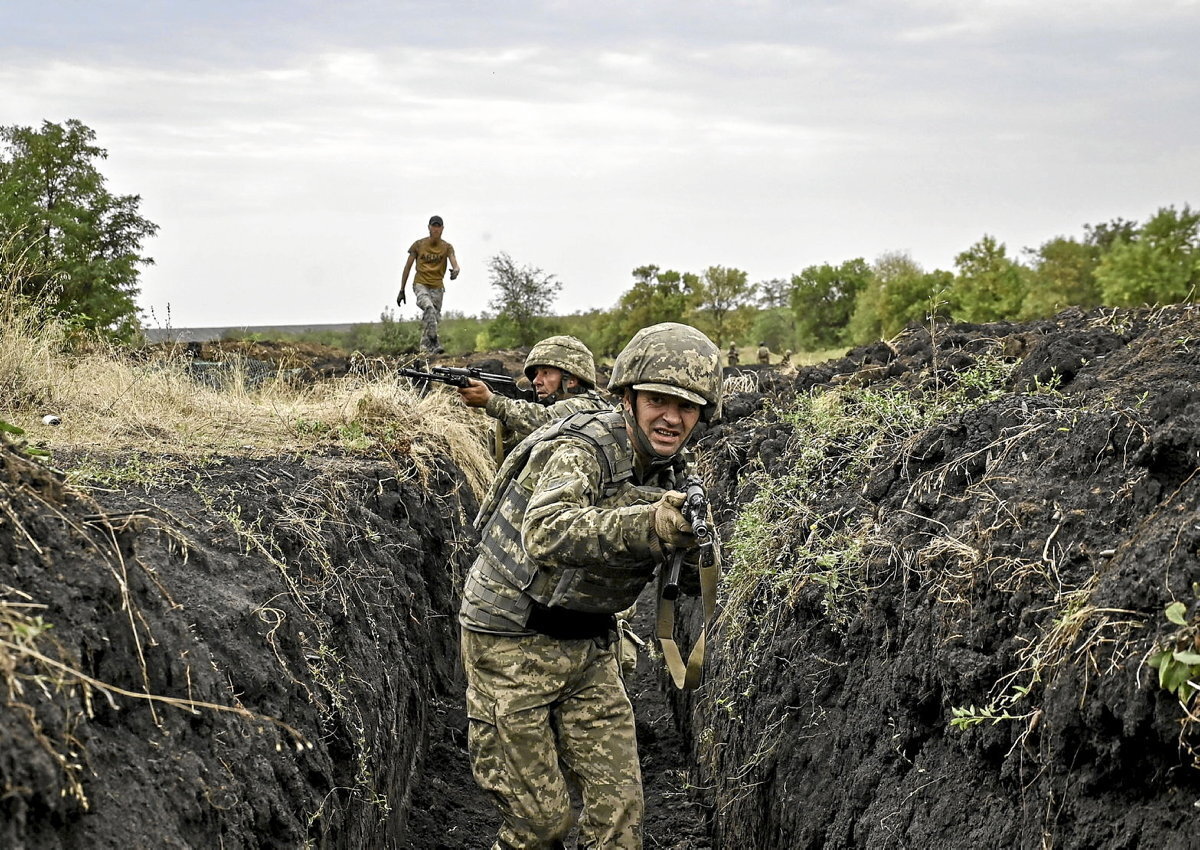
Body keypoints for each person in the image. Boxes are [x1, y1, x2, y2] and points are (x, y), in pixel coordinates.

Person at [459, 322, 723, 850]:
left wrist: (692, 546)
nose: (671, 417)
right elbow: (545, 530)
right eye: (657, 400)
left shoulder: (672, 471)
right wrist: (647, 525)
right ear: (628, 397)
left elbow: (688, 582)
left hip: (589, 644)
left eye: (687, 406)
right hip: (511, 641)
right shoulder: (583, 449)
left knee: (619, 818)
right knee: (540, 827)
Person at [456, 335, 611, 459]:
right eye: (536, 374)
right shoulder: (554, 409)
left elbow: (546, 419)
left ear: (571, 380)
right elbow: (504, 452)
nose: (536, 381)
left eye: (546, 373)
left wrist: (492, 402)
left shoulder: (587, 407)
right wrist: (506, 423)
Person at [398, 215, 460, 354]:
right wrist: (402, 290)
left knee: (432, 318)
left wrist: (456, 271)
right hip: (421, 284)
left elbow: (454, 263)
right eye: (433, 226)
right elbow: (407, 267)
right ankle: (434, 341)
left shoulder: (447, 247)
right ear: (429, 227)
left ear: (442, 229)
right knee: (428, 307)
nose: (436, 229)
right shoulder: (418, 245)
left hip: (437, 287)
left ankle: (425, 351)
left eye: (438, 226)